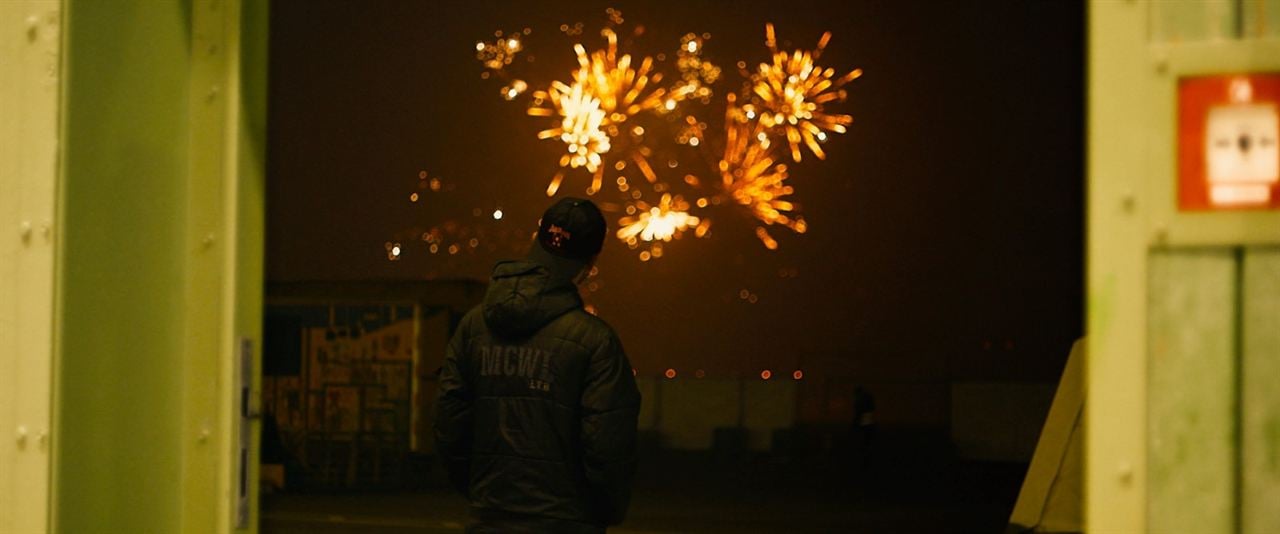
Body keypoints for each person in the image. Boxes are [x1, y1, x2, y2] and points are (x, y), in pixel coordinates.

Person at [435, 197, 642, 534]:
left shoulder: (474, 327)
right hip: (568, 521)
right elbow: (608, 446)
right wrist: (602, 512)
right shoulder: (595, 341)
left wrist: (481, 493)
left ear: (537, 241)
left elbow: (449, 423)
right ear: (590, 262)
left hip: (488, 516)